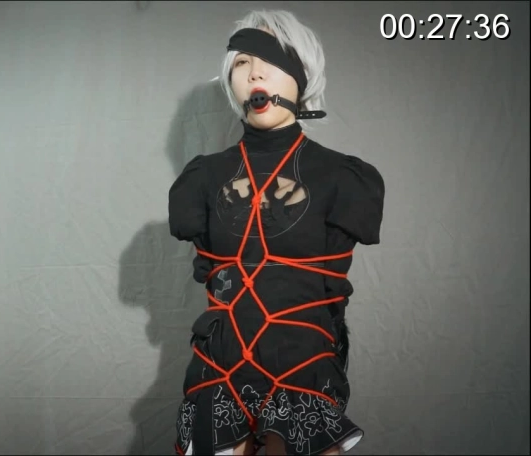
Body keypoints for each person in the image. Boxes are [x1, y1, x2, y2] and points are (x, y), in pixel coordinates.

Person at [168, 9, 385, 456]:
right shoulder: (203, 178)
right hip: (219, 371)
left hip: (303, 370)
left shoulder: (343, 178)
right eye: (242, 61)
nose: (255, 73)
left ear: (302, 74)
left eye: (271, 59)